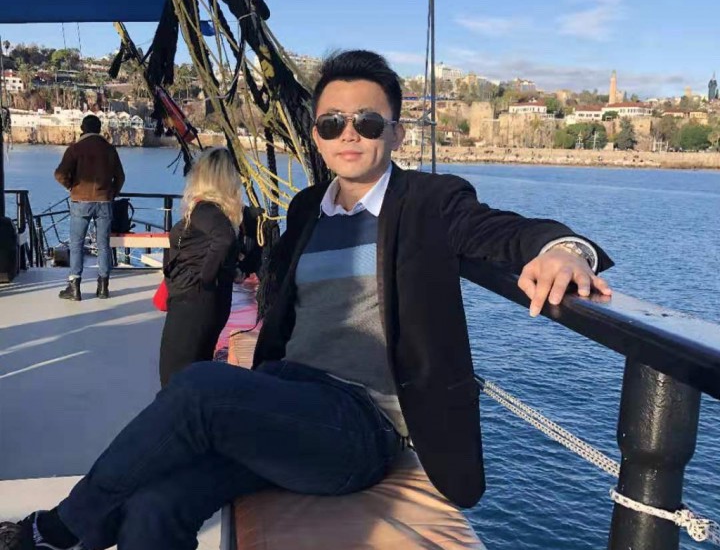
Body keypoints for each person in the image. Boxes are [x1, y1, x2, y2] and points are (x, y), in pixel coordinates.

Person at [0, 50, 612, 550]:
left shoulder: (428, 203)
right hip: (286, 398)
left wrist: (564, 250)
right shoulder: (306, 208)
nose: (350, 135)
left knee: (197, 387)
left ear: (396, 132)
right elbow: (286, 303)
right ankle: (83, 525)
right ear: (316, 135)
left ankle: (57, 530)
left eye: (368, 122)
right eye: (332, 123)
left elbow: (506, 232)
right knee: (156, 507)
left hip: (360, 427)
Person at [159, 147, 243, 387]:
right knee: (194, 373)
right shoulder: (219, 212)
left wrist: (205, 278)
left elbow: (223, 239)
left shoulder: (205, 209)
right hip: (203, 303)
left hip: (192, 303)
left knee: (174, 375)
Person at [53, 113, 125, 302]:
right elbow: (120, 177)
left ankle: (74, 287)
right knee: (103, 245)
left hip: (81, 201)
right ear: (99, 129)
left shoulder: (75, 149)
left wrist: (71, 186)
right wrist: (111, 193)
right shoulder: (109, 149)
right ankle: (103, 287)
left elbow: (59, 174)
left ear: (82, 129)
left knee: (76, 244)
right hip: (104, 202)